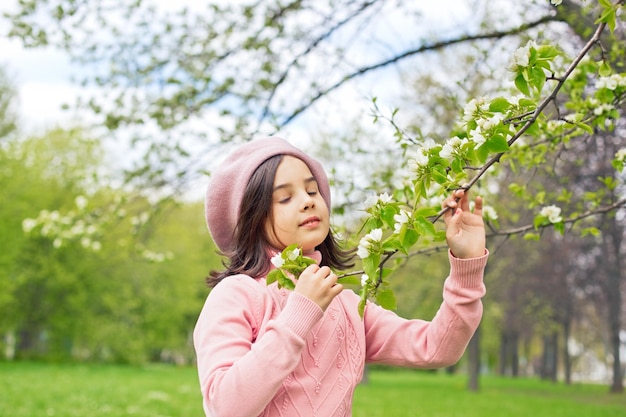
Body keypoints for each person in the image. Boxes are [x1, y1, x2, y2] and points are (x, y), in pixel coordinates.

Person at [194, 136, 488, 417]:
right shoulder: (238, 295)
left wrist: (467, 264)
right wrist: (299, 316)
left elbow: (436, 348)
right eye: (285, 198)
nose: (308, 201)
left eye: (312, 191)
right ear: (251, 220)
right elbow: (224, 407)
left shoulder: (345, 303)